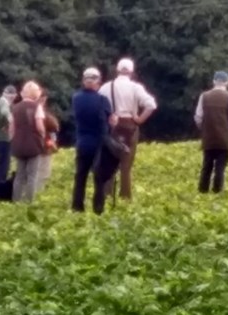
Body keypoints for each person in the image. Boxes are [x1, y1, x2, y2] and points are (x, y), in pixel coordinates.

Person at [99, 57, 157, 200]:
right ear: (131, 72)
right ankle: (125, 198)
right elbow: (151, 105)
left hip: (110, 126)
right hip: (130, 126)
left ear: (117, 70)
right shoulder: (135, 87)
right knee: (126, 166)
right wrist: (139, 119)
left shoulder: (106, 87)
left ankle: (106, 197)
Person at [71, 68, 119, 215]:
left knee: (80, 176)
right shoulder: (102, 100)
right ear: (98, 82)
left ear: (84, 81)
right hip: (99, 144)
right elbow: (108, 123)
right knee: (99, 178)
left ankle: (77, 208)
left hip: (82, 142)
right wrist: (113, 123)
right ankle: (98, 209)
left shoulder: (76, 98)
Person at [194, 70, 228, 193]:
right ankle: (217, 191)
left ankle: (202, 190)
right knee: (220, 167)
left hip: (208, 138)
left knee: (207, 166)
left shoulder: (204, 96)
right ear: (227, 83)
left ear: (214, 81)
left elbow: (198, 117)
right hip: (224, 138)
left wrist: (204, 129)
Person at [10, 81, 46, 202]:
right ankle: (29, 201)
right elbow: (40, 126)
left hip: (18, 144)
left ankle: (16, 200)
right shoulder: (37, 107)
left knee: (19, 175)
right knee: (32, 175)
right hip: (33, 145)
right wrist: (43, 135)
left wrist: (13, 140)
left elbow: (11, 128)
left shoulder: (15, 108)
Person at [35, 89, 60, 194]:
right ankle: (38, 194)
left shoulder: (23, 108)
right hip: (43, 145)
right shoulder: (40, 111)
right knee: (43, 172)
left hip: (29, 146)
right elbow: (55, 125)